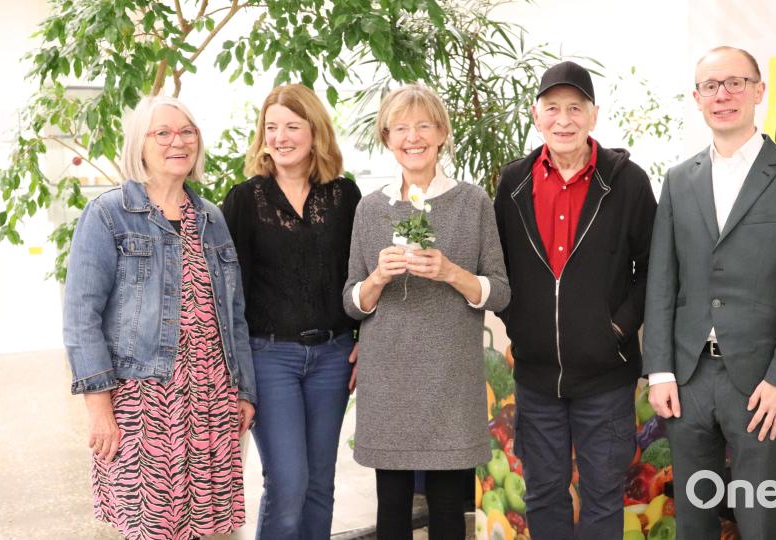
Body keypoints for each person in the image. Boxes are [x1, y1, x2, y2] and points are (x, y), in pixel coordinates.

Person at [643, 46, 776, 539]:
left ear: (758, 91)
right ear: (697, 98)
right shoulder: (679, 179)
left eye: (735, 83)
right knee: (693, 522)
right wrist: (661, 369)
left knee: (759, 523)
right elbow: (663, 281)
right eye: (711, 86)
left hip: (760, 387)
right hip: (687, 380)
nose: (722, 95)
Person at [63, 95, 256, 540]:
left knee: (206, 527)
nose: (178, 142)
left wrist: (243, 390)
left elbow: (235, 312)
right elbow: (80, 316)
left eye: (187, 132)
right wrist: (98, 406)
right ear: (141, 144)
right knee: (150, 526)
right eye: (163, 133)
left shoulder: (210, 218)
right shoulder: (108, 214)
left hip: (211, 396)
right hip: (142, 400)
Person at [493, 60, 657, 538]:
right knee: (543, 493)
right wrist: (520, 323)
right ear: (535, 115)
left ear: (593, 115)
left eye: (574, 108)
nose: (563, 119)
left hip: (606, 377)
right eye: (552, 108)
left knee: (604, 497)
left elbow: (654, 268)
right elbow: (496, 265)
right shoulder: (513, 182)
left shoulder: (627, 181)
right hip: (537, 378)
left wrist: (618, 328)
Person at [342, 84, 510, 540]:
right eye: (400, 128)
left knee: (448, 514)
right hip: (389, 379)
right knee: (392, 512)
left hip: (450, 380)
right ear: (387, 138)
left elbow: (500, 292)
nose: (412, 137)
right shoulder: (370, 208)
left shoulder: (472, 202)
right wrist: (376, 279)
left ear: (441, 134)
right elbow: (350, 300)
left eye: (423, 126)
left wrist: (452, 272)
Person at [221, 84, 360, 540]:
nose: (279, 137)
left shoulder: (345, 196)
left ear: (315, 132)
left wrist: (365, 344)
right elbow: (229, 294)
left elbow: (358, 276)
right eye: (271, 127)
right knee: (287, 483)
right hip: (269, 358)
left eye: (291, 126)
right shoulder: (244, 199)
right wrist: (236, 376)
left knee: (320, 484)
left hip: (333, 357)